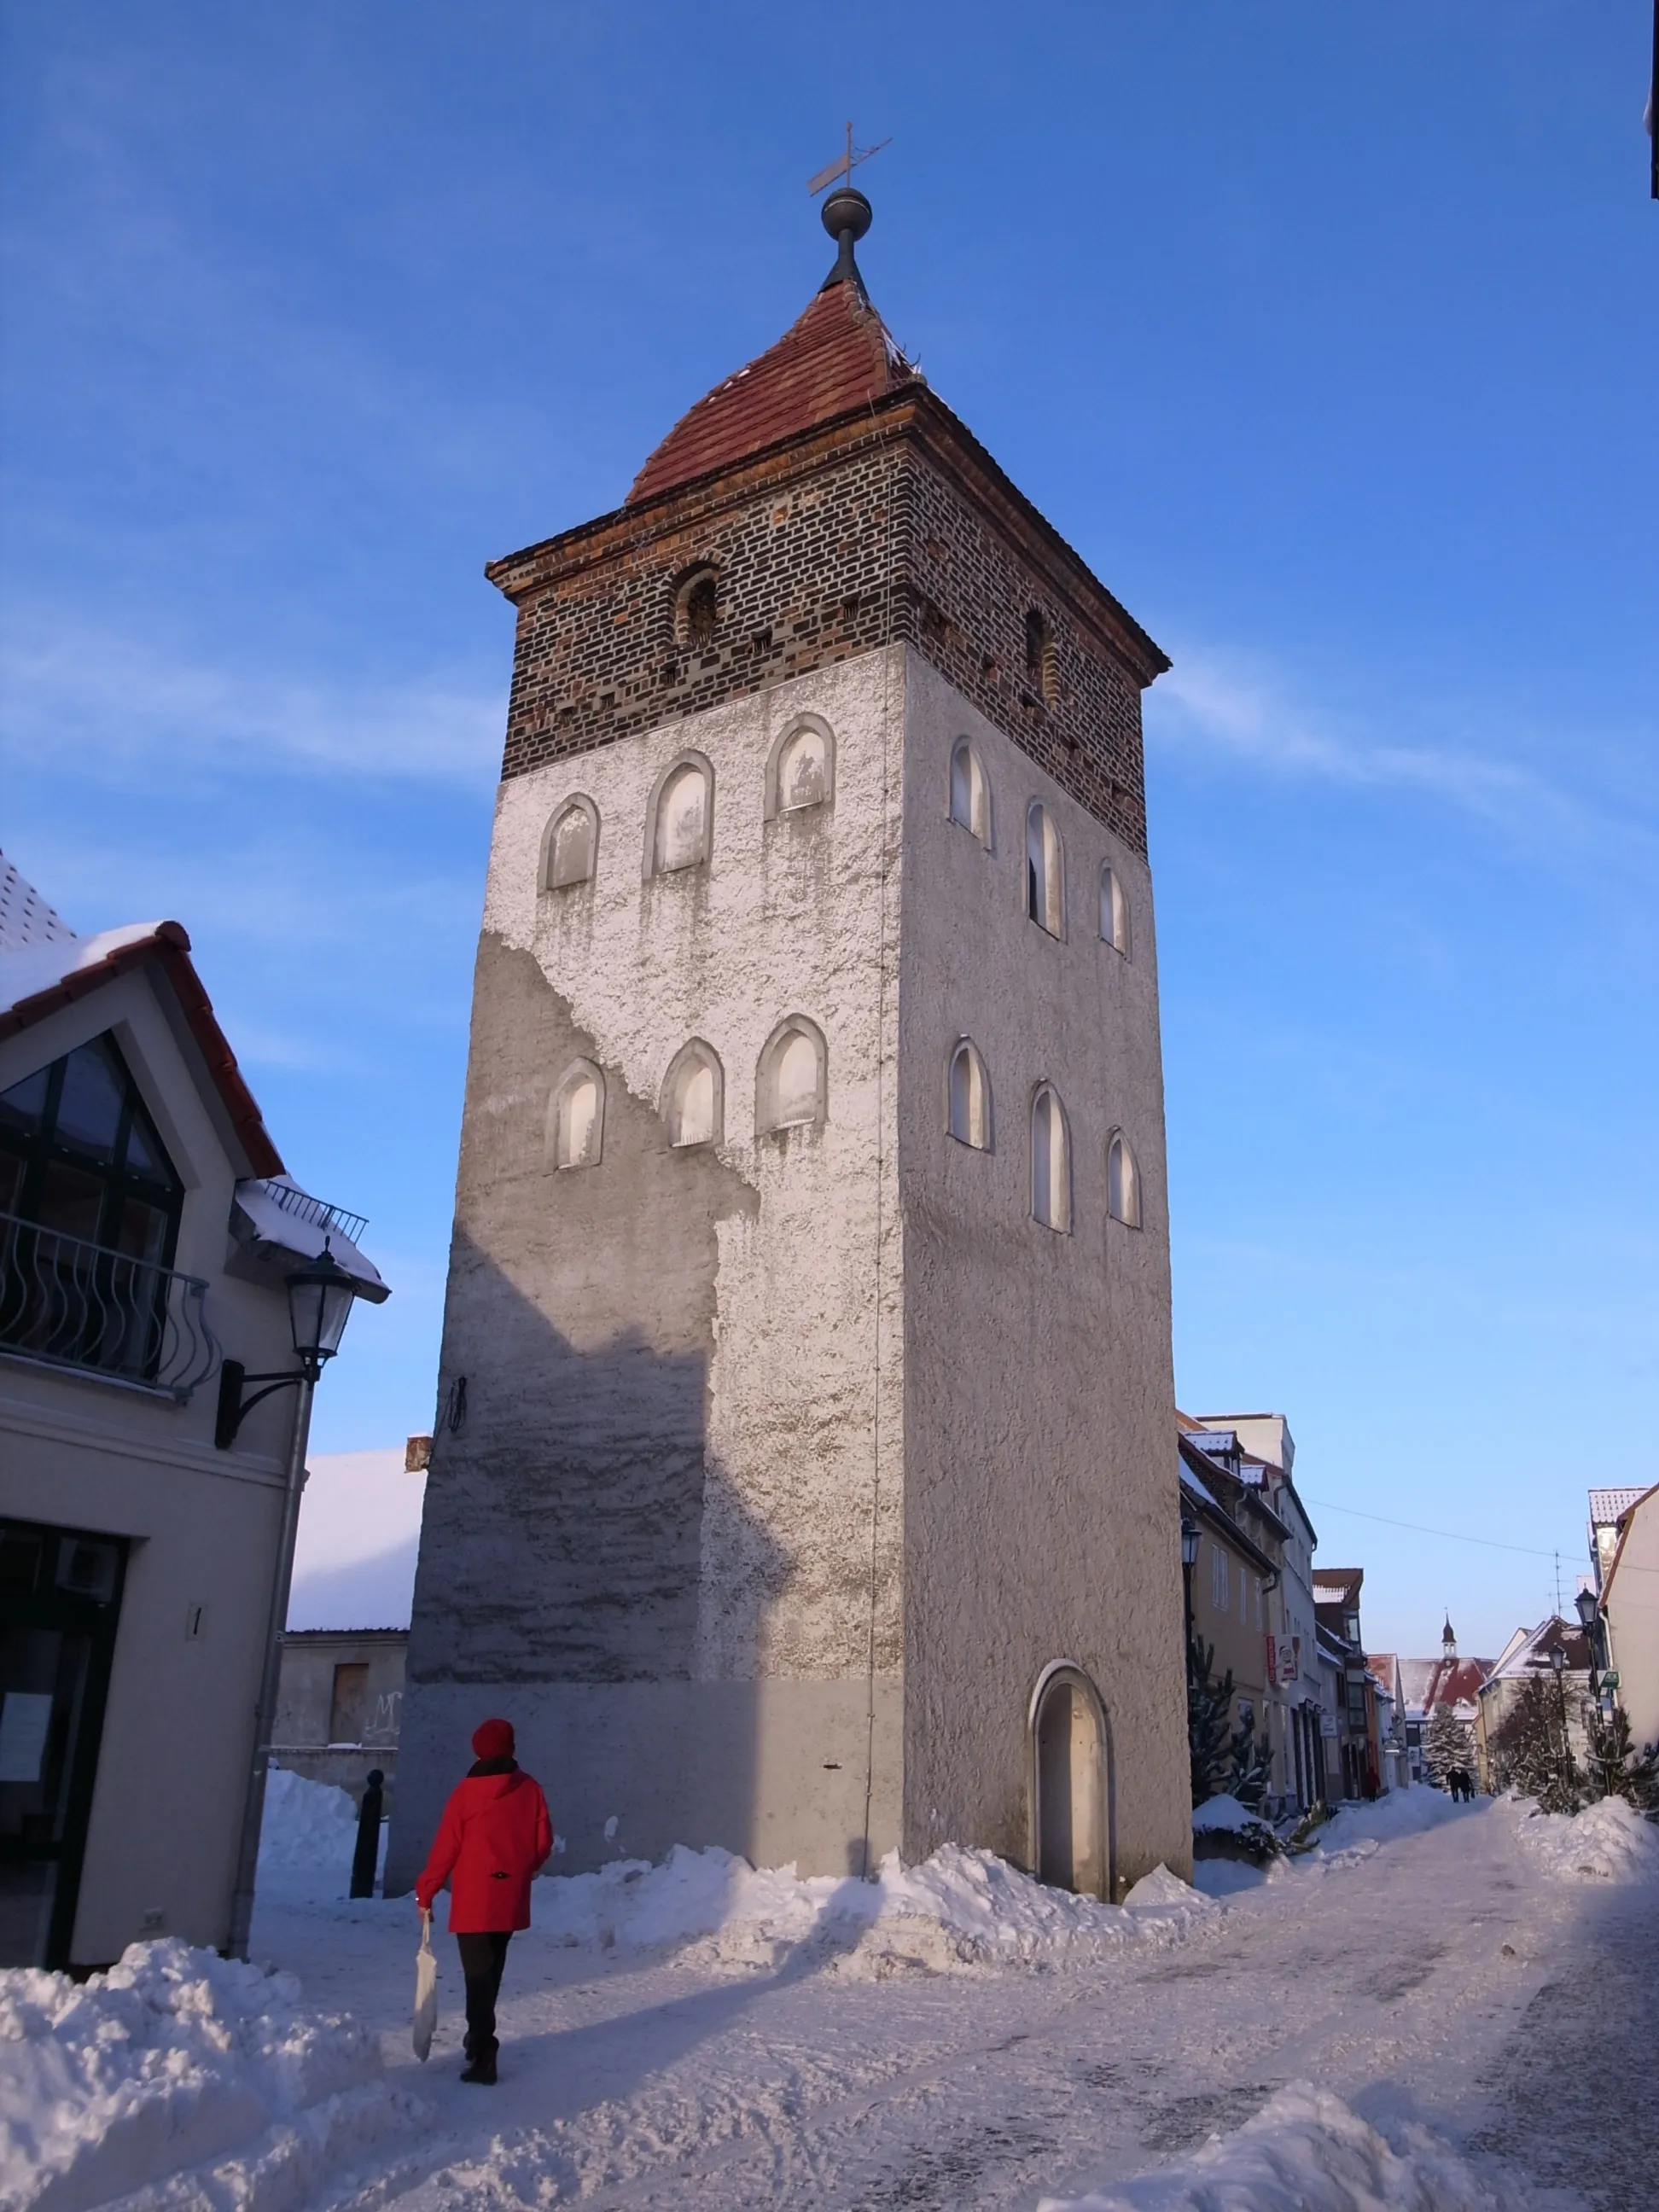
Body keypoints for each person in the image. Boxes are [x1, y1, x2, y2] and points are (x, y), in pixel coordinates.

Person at [414, 1718, 552, 2084]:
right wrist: (523, 1868)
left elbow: (446, 1849)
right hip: (510, 1894)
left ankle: (483, 2048)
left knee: (477, 1976)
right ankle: (477, 2040)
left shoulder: (465, 1793)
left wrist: (426, 1890)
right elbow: (542, 1844)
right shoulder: (531, 1789)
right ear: (511, 1747)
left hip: (475, 1897)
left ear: (477, 1749)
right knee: (491, 1971)